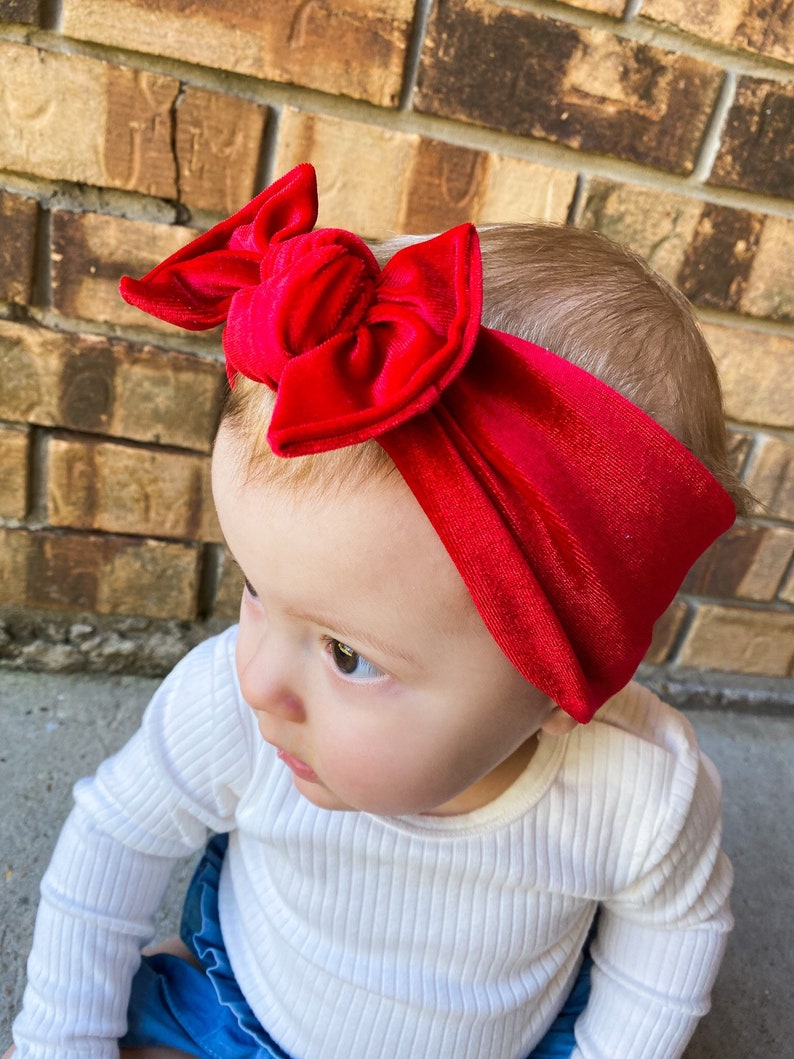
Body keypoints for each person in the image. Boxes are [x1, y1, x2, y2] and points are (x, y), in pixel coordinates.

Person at [8, 164, 751, 1059]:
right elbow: (114, 837)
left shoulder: (638, 795)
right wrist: (62, 1040)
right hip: (246, 1009)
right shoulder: (232, 712)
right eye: (255, 587)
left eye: (347, 654)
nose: (257, 677)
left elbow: (673, 938)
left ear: (567, 682)